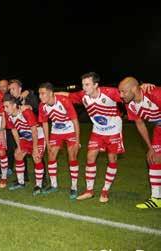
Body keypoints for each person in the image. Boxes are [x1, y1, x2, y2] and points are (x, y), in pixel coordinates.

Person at [60, 72, 124, 203]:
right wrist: (50, 94)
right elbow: (67, 95)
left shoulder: (110, 92)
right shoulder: (83, 95)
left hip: (113, 131)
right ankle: (89, 191)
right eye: (83, 84)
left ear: (96, 85)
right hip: (98, 131)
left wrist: (142, 87)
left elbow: (128, 94)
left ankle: (105, 191)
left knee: (112, 158)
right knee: (90, 156)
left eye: (87, 84)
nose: (84, 88)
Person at [119, 77, 161, 208]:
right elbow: (139, 123)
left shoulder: (154, 93)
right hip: (159, 128)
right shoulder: (129, 103)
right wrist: (151, 148)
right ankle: (156, 199)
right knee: (153, 158)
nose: (121, 95)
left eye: (123, 92)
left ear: (133, 89)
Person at [38, 82, 80, 199]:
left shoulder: (64, 101)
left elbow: (75, 121)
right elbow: (45, 124)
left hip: (70, 129)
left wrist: (77, 141)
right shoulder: (42, 106)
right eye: (39, 94)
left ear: (51, 93)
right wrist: (47, 141)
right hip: (56, 131)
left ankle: (74, 187)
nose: (40, 96)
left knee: (72, 156)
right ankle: (53, 185)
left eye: (43, 93)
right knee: (51, 155)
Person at [4, 94, 46, 195]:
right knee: (18, 155)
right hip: (26, 138)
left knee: (37, 157)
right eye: (4, 107)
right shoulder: (9, 116)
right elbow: (14, 131)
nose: (5, 109)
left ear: (14, 105)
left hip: (38, 137)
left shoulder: (26, 112)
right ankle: (20, 182)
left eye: (6, 106)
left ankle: (39, 185)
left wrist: (35, 148)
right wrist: (19, 146)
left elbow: (34, 130)